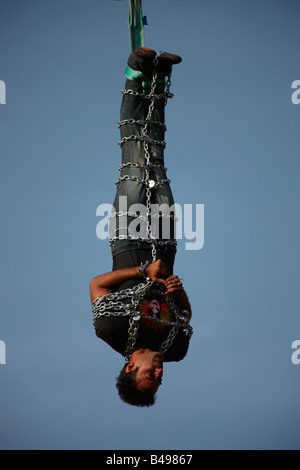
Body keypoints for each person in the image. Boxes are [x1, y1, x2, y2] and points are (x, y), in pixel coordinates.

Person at [90, 47, 193, 407]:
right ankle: (162, 77)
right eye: (160, 382)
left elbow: (97, 285)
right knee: (157, 158)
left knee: (135, 158)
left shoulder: (112, 331)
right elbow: (186, 315)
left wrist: (141, 271)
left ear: (131, 366)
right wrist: (176, 291)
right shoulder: (175, 346)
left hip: (127, 239)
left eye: (151, 376)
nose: (161, 373)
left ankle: (137, 73)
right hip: (165, 244)